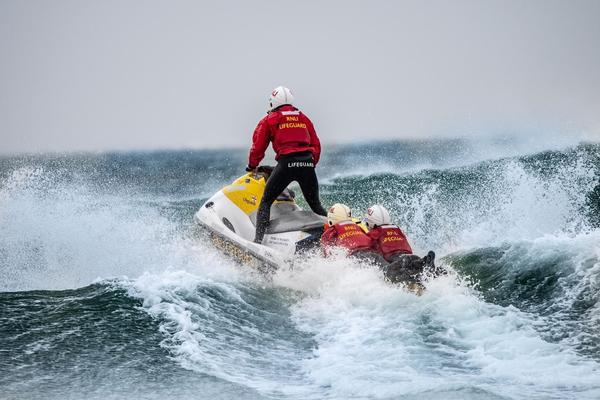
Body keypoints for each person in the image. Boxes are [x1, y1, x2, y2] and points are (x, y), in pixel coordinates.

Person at [248, 86, 327, 244]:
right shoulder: (303, 117)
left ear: (272, 103)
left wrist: (252, 165)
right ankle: (337, 236)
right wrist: (310, 164)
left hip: (286, 164)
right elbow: (316, 144)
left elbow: (258, 145)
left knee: (266, 202)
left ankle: (257, 242)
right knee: (316, 206)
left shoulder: (270, 119)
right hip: (307, 163)